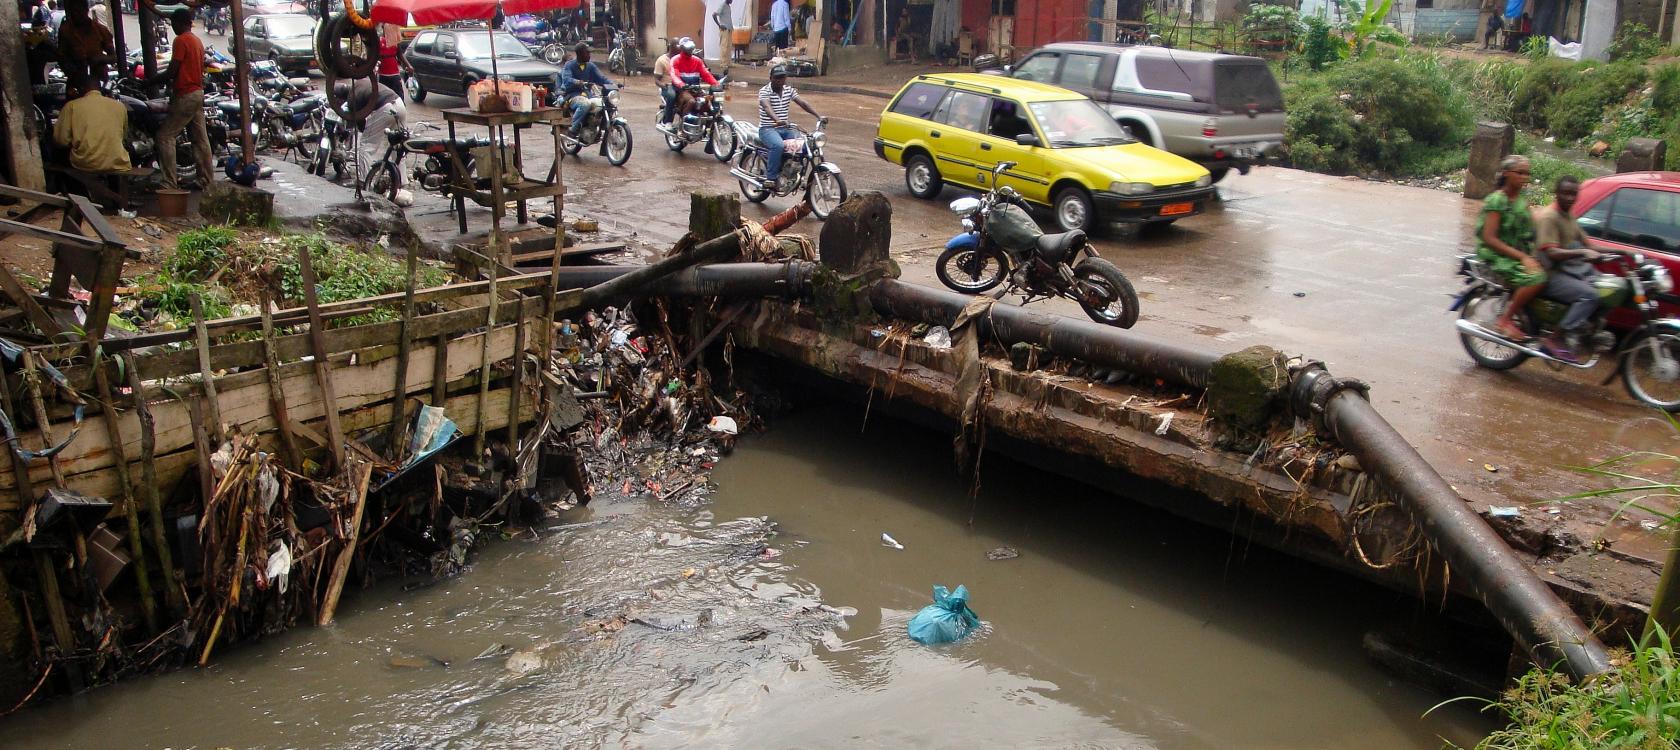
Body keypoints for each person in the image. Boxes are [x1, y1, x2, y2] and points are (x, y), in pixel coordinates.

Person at [1532, 175, 1621, 362]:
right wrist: (1582, 253)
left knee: (1611, 288)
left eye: (1573, 194)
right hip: (1549, 273)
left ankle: (1586, 328)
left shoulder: (1568, 215)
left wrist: (1621, 252)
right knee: (1589, 295)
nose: (1570, 198)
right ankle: (1555, 337)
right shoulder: (1550, 217)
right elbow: (1551, 253)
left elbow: (1590, 245)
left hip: (1568, 269)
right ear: (1557, 194)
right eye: (1566, 193)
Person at [1475, 155, 1543, 341]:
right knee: (1538, 278)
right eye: (1519, 173)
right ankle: (1505, 320)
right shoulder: (1496, 201)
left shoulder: (1522, 201)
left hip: (1518, 252)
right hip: (1498, 255)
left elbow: (1534, 226)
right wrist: (1523, 257)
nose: (1524, 177)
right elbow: (1490, 238)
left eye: (1527, 173)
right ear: (1506, 173)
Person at [147, 8, 213, 190]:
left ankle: (169, 182)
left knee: (165, 136)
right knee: (200, 138)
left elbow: (172, 71)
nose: (172, 27)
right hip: (197, 93)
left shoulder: (181, 40)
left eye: (173, 23)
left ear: (180, 22)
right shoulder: (196, 40)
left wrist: (149, 81)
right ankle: (206, 179)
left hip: (185, 94)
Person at [334, 77, 411, 205]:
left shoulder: (352, 98)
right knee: (398, 147)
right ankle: (402, 182)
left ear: (341, 97)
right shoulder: (361, 83)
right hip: (399, 104)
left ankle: (363, 181)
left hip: (386, 108)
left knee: (366, 145)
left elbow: (360, 122)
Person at [53, 67, 130, 172]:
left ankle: (77, 188)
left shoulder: (72, 106)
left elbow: (61, 140)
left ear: (81, 88)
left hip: (86, 162)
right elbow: (123, 136)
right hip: (118, 161)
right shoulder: (119, 106)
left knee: (57, 159)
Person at [757, 65, 821, 191]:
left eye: (783, 77)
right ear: (771, 78)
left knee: (804, 144)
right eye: (777, 78)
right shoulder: (764, 91)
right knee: (778, 145)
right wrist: (777, 120)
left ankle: (794, 174)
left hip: (785, 129)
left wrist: (818, 116)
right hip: (767, 129)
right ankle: (771, 178)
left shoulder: (788, 90)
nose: (780, 80)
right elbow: (766, 107)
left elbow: (802, 103)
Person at [559, 41, 615, 140]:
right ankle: (573, 129)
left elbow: (601, 78)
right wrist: (577, 82)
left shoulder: (590, 66)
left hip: (588, 95)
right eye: (587, 53)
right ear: (580, 53)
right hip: (572, 95)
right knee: (585, 104)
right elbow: (566, 79)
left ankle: (597, 128)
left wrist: (612, 84)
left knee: (603, 104)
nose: (589, 55)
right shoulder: (569, 65)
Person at [56, 0, 116, 85]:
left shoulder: (101, 30)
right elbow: (61, 57)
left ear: (86, 10)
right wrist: (71, 70)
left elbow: (113, 57)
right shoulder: (65, 31)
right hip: (77, 80)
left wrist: (99, 58)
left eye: (78, 11)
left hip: (99, 79)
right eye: (73, 12)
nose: (76, 15)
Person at [669, 37, 717, 118]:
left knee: (708, 103)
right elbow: (674, 76)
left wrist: (716, 83)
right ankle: (682, 127)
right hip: (683, 90)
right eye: (688, 48)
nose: (690, 51)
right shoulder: (675, 60)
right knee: (691, 102)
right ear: (682, 48)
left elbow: (706, 74)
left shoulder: (697, 61)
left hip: (696, 90)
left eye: (691, 48)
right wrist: (681, 84)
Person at [652, 38, 678, 125]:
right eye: (677, 45)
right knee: (672, 96)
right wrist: (665, 86)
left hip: (681, 86)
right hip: (668, 88)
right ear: (671, 47)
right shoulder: (661, 60)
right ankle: (668, 121)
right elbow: (656, 80)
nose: (679, 48)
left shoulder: (682, 59)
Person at [377, 22, 403, 97]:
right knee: (384, 96)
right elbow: (375, 56)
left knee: (398, 96)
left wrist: (408, 66)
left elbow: (400, 55)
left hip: (394, 74)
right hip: (383, 74)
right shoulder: (379, 41)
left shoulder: (395, 41)